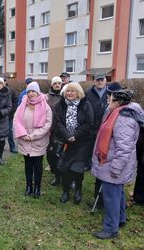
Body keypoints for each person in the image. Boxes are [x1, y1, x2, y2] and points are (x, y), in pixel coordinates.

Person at [92, 89, 144, 239]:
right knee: (118, 194)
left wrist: (115, 168)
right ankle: (120, 219)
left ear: (117, 101)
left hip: (114, 165)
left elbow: (124, 148)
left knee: (111, 197)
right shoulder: (119, 113)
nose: (108, 100)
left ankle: (110, 229)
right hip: (112, 163)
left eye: (110, 98)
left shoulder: (124, 119)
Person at [51, 82, 94, 204]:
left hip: (82, 142)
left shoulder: (85, 105)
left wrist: (75, 136)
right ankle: (65, 191)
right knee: (65, 168)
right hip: (65, 141)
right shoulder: (60, 105)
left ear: (78, 93)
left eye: (72, 91)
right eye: (68, 91)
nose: (69, 93)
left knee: (77, 168)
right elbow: (58, 122)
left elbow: (88, 124)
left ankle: (78, 190)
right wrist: (68, 136)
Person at [14, 81, 52, 198]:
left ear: (38, 92)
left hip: (38, 141)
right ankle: (29, 186)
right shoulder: (22, 104)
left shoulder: (45, 106)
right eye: (29, 91)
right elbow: (16, 120)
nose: (31, 94)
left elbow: (47, 124)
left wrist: (34, 135)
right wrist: (23, 134)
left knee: (38, 165)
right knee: (28, 164)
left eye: (33, 91)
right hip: (24, 139)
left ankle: (37, 188)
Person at [85, 73, 108, 207]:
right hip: (91, 129)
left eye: (102, 80)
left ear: (105, 80)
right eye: (98, 80)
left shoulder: (111, 94)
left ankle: (100, 196)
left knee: (102, 159)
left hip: (105, 130)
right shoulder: (88, 93)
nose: (100, 82)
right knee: (90, 153)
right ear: (94, 81)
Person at [46, 76, 63, 186]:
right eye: (55, 83)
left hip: (62, 130)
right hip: (50, 129)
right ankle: (56, 174)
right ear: (52, 85)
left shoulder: (65, 95)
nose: (57, 85)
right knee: (51, 154)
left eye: (59, 83)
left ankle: (66, 175)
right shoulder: (47, 97)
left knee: (63, 154)